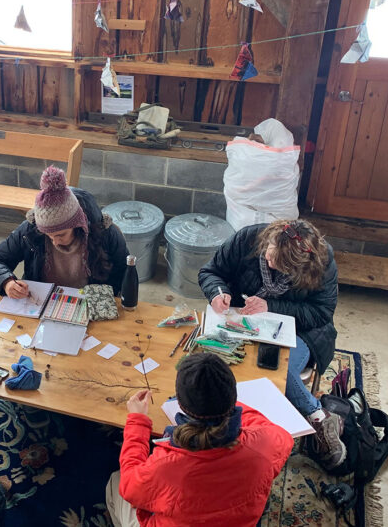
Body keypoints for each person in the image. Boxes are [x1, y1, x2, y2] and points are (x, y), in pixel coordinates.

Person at [197, 219, 344, 466]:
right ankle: (226, 424)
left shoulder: (322, 260)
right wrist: (217, 292)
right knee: (213, 361)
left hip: (302, 330)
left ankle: (318, 416)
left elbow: (321, 312)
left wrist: (271, 306)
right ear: (270, 240)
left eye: (278, 264)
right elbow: (211, 271)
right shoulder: (248, 238)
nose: (269, 262)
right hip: (242, 322)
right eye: (269, 254)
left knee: (276, 367)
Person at [105, 353, 293, 527]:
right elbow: (278, 434)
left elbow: (129, 487)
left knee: (116, 480)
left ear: (180, 403)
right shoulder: (266, 444)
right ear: (232, 397)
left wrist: (138, 422)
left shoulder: (166, 467)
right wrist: (226, 406)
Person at [0, 165, 129, 297]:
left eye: (61, 234)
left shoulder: (105, 233)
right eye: (49, 235)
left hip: (89, 303)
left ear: (78, 224)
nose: (55, 242)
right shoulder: (30, 230)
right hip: (42, 302)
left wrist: (107, 298)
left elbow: (126, 274)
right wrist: (7, 282)